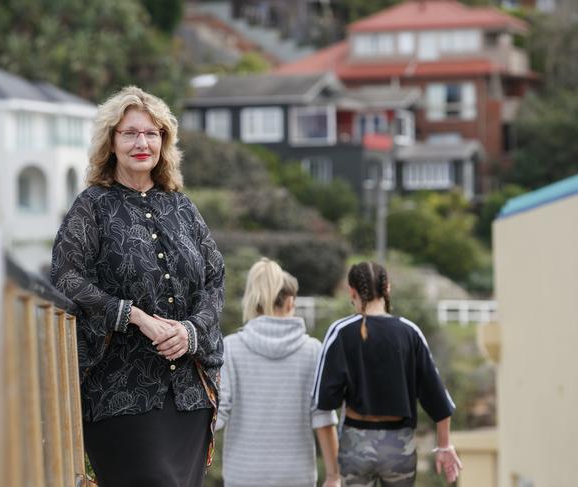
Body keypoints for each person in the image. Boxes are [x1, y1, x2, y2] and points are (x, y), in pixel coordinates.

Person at [50, 86, 225, 487]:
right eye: (130, 133)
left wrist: (191, 331)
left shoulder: (182, 207)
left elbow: (216, 278)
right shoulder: (92, 205)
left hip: (187, 396)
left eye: (152, 133)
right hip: (118, 393)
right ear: (111, 142)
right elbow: (65, 276)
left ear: (164, 142)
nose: (141, 142)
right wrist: (133, 316)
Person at [313, 261, 463, 486]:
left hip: (356, 443)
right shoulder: (409, 332)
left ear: (351, 292)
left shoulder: (341, 332)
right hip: (399, 446)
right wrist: (444, 446)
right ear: (387, 289)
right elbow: (438, 399)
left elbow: (324, 399)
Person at [217, 257, 340, 487]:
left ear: (254, 302)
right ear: (291, 302)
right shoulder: (313, 351)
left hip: (243, 476)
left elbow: (216, 415)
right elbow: (323, 417)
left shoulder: (231, 348)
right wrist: (334, 476)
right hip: (297, 476)